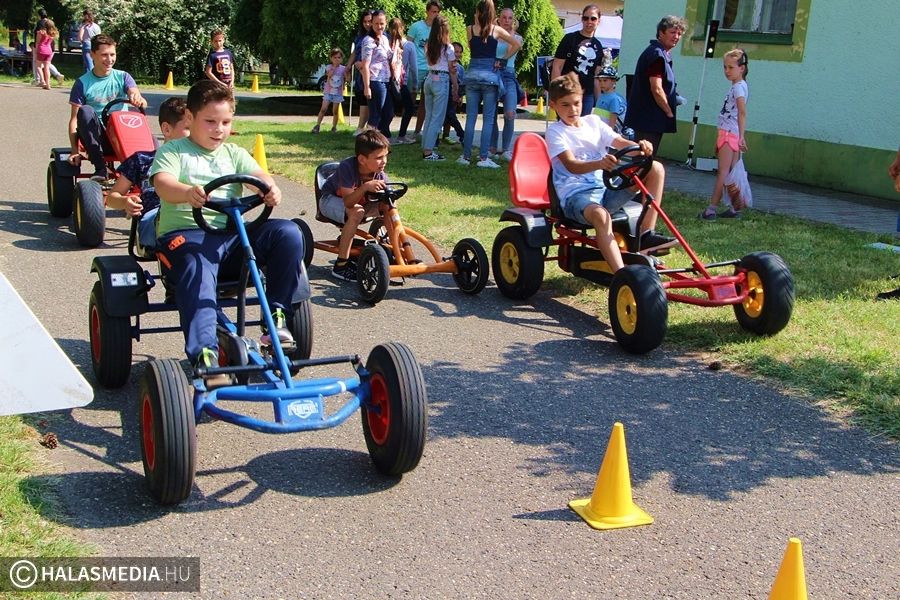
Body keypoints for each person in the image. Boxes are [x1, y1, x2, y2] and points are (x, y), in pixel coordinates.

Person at [149, 80, 308, 380]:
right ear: (191, 118)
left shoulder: (233, 153)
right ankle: (205, 353)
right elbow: (163, 184)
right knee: (198, 262)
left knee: (288, 232)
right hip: (186, 238)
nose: (218, 129)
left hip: (232, 237)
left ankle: (276, 317)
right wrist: (186, 192)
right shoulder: (174, 151)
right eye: (210, 121)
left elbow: (258, 176)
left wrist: (269, 189)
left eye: (225, 122)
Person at [546, 72, 676, 273]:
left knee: (655, 168)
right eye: (565, 105)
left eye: (577, 103)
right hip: (576, 197)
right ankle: (621, 274)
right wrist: (598, 163)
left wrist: (640, 146)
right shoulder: (556, 131)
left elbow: (620, 142)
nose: (573, 110)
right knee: (601, 216)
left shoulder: (594, 122)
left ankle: (646, 235)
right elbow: (571, 165)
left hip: (606, 190)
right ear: (553, 105)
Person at [67, 34, 147, 183]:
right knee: (85, 111)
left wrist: (138, 98)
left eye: (112, 54)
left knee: (152, 140)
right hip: (98, 138)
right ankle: (100, 168)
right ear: (92, 55)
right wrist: (74, 150)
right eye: (104, 55)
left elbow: (135, 93)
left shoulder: (123, 77)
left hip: (123, 135)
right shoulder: (82, 83)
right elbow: (74, 120)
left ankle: (146, 174)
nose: (109, 60)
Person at [318, 130, 390, 281]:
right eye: (378, 157)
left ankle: (394, 249)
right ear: (362, 159)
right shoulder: (347, 167)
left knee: (389, 206)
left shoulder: (379, 173)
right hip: (330, 200)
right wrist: (365, 187)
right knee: (356, 211)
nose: (384, 161)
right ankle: (341, 265)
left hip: (360, 203)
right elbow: (348, 202)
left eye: (385, 156)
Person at [457, 0, 520, 168]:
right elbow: (516, 44)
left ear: (478, 12)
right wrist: (502, 60)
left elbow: (472, 49)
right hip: (490, 77)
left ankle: (466, 156)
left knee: (470, 118)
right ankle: (484, 158)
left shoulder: (470, 29)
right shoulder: (496, 30)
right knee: (488, 119)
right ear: (493, 14)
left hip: (472, 76)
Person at [106, 97, 190, 224]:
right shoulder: (143, 160)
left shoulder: (202, 160)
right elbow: (112, 197)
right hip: (157, 218)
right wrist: (125, 202)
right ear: (167, 129)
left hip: (192, 217)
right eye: (189, 128)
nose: (196, 134)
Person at [624, 15, 687, 156]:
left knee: (643, 161)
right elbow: (656, 88)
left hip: (648, 118)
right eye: (672, 32)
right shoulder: (657, 55)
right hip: (649, 119)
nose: (676, 36)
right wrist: (668, 111)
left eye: (679, 33)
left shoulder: (660, 53)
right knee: (644, 160)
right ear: (661, 32)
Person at [700, 48, 750, 220]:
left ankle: (711, 209)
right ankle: (735, 208)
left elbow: (742, 112)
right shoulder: (741, 86)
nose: (727, 71)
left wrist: (741, 135)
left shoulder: (738, 88)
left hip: (729, 134)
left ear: (741, 68)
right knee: (731, 173)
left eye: (731, 67)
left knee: (722, 172)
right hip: (732, 133)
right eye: (725, 67)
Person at [551, 4, 604, 116]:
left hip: (587, 94)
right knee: (566, 127)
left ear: (598, 21)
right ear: (582, 19)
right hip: (567, 91)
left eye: (593, 18)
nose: (589, 21)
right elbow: (557, 66)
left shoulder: (598, 45)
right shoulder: (570, 39)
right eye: (586, 18)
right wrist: (554, 93)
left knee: (582, 128)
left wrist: (600, 102)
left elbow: (596, 77)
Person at [420, 15, 458, 161]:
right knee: (437, 117)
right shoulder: (448, 48)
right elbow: (452, 69)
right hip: (441, 79)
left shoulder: (428, 45)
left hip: (429, 78)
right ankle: (429, 152)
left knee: (429, 116)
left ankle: (426, 146)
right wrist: (455, 86)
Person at [488, 7, 523, 161]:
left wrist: (501, 61)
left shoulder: (517, 38)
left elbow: (512, 49)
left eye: (510, 18)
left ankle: (506, 149)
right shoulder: (492, 36)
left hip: (508, 75)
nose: (507, 21)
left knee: (510, 113)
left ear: (513, 20)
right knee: (492, 113)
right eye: (504, 17)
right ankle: (492, 147)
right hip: (493, 74)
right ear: (499, 19)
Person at [408, 1, 443, 141]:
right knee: (410, 99)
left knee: (425, 102)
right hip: (415, 68)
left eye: (437, 12)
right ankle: (403, 130)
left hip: (431, 69)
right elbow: (408, 47)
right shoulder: (416, 26)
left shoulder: (439, 29)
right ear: (427, 11)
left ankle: (418, 131)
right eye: (433, 11)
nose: (435, 14)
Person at [360, 10, 396, 139]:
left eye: (382, 23)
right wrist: (367, 86)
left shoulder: (385, 38)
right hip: (375, 80)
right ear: (372, 24)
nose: (379, 26)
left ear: (386, 23)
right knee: (376, 113)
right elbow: (365, 65)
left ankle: (378, 137)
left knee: (389, 113)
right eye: (376, 23)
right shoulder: (368, 40)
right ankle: (369, 141)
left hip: (386, 80)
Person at [348, 10, 373, 136]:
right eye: (365, 21)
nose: (367, 24)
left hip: (373, 74)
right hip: (360, 74)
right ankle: (361, 127)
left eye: (369, 21)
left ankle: (367, 128)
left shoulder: (381, 36)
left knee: (370, 100)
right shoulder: (359, 36)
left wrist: (363, 64)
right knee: (361, 99)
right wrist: (348, 66)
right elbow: (355, 53)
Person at [312, 48, 347, 133]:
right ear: (331, 58)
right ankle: (317, 125)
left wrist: (347, 74)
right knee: (323, 109)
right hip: (328, 92)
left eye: (339, 57)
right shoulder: (329, 67)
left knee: (335, 111)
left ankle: (334, 127)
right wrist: (334, 68)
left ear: (342, 59)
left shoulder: (343, 68)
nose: (337, 59)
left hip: (338, 93)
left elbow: (347, 78)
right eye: (335, 57)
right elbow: (329, 75)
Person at [396, 20, 419, 144]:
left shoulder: (387, 42)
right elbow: (414, 67)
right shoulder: (409, 45)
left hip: (387, 80)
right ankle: (402, 135)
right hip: (401, 81)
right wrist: (415, 84)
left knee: (388, 109)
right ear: (403, 28)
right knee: (409, 108)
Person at [594, 66, 629, 136]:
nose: (601, 83)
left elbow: (612, 123)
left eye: (605, 80)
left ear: (613, 80)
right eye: (600, 80)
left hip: (606, 135)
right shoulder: (601, 96)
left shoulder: (614, 99)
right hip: (599, 132)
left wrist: (608, 135)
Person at [441, 41, 465, 145]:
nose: (458, 54)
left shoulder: (460, 68)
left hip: (454, 96)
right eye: (456, 51)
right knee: (447, 115)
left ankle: (448, 135)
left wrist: (460, 96)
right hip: (444, 93)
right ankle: (462, 134)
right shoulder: (444, 65)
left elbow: (462, 83)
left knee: (450, 115)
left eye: (460, 52)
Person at [34, 18, 58, 90]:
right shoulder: (53, 33)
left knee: (38, 66)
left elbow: (37, 42)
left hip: (41, 50)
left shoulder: (41, 32)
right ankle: (48, 84)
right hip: (49, 51)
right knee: (47, 68)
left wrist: (35, 51)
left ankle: (43, 81)